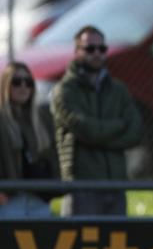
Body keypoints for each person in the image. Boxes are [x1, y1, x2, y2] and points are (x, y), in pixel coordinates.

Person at [51, 25, 143, 215]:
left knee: (116, 236)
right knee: (80, 235)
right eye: (90, 49)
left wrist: (97, 136)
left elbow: (136, 132)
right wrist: (119, 126)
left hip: (116, 186)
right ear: (77, 51)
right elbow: (86, 130)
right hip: (82, 188)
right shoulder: (65, 90)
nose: (97, 54)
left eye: (102, 49)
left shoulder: (118, 89)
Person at [0, 62, 59, 217]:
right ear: (5, 85)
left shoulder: (42, 117)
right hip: (10, 199)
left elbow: (54, 157)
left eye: (28, 82)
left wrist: (55, 187)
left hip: (40, 198)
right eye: (16, 82)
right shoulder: (2, 120)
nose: (23, 87)